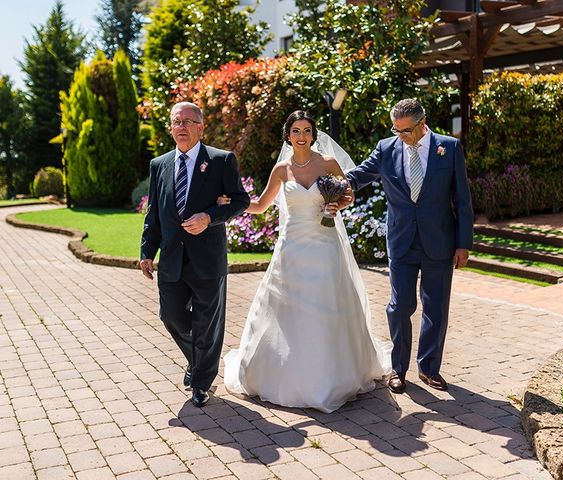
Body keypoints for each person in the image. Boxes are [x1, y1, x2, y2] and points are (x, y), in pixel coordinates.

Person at [218, 110, 391, 413]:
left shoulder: (327, 163)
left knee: (328, 305)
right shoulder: (282, 170)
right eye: (295, 131)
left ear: (313, 134)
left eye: (307, 130)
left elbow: (348, 194)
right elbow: (260, 206)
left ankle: (333, 376)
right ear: (288, 135)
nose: (301, 136)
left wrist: (338, 203)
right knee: (286, 310)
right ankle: (284, 374)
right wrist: (233, 203)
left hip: (325, 246)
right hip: (292, 249)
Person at [345, 98, 473, 394]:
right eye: (396, 129)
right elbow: (359, 175)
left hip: (440, 241)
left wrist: (463, 243)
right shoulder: (386, 148)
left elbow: (462, 200)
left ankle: (429, 368)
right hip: (402, 241)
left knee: (436, 307)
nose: (400, 136)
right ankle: (398, 369)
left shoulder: (449, 148)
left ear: (422, 123)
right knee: (400, 305)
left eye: (405, 131)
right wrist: (331, 186)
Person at [140, 101, 250, 407]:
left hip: (207, 259)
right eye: (177, 122)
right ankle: (198, 359)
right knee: (170, 315)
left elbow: (240, 200)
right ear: (171, 128)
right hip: (172, 259)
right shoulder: (159, 165)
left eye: (188, 122)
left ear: (200, 127)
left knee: (206, 323)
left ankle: (202, 381)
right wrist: (147, 251)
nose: (182, 127)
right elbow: (154, 215)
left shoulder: (220, 160)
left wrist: (209, 217)